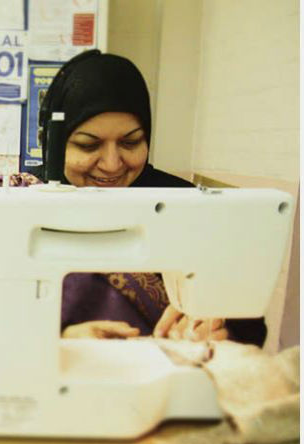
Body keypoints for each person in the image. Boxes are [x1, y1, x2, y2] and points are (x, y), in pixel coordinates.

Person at [31, 49, 266, 346]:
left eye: (131, 142)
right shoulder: (18, 202)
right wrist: (61, 337)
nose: (112, 164)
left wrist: (218, 326)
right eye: (88, 145)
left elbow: (251, 329)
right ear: (54, 143)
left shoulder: (188, 205)